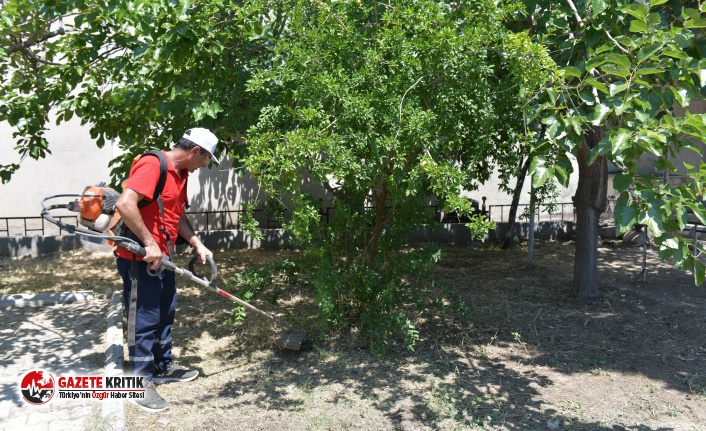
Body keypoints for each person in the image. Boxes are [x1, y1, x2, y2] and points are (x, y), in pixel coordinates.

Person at [114, 128, 219, 412]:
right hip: (140, 258)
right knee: (144, 317)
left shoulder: (181, 175)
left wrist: (197, 243)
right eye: (206, 159)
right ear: (195, 151)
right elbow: (125, 203)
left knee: (165, 312)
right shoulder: (153, 164)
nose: (204, 165)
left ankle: (161, 366)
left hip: (163, 258)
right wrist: (149, 243)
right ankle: (140, 380)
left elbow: (176, 215)